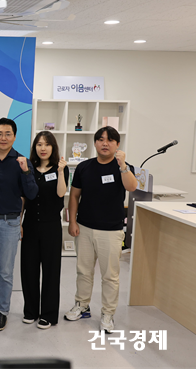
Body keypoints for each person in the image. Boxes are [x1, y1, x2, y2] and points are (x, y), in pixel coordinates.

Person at [64, 126, 137, 333]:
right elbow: (74, 196)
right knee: (83, 271)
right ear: (95, 143)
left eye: (110, 140)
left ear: (117, 144)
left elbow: (132, 187)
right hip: (85, 228)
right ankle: (82, 305)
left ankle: (108, 313)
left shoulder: (124, 167)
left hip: (111, 231)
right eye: (101, 139)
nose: (105, 143)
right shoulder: (84, 167)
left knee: (110, 275)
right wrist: (72, 221)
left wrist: (123, 166)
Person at [0, 117, 38, 331]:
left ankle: (2, 311)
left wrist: (26, 171)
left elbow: (31, 194)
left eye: (8, 134)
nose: (3, 138)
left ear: (14, 136)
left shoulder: (22, 161)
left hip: (10, 223)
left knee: (5, 271)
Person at [20, 131, 68, 330]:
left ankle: (48, 314)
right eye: (39, 144)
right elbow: (23, 198)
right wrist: (19, 223)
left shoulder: (60, 168)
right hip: (30, 225)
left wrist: (60, 172)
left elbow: (61, 193)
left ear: (53, 147)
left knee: (51, 271)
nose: (43, 148)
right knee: (28, 269)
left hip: (51, 226)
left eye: (47, 144)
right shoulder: (28, 168)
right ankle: (30, 311)